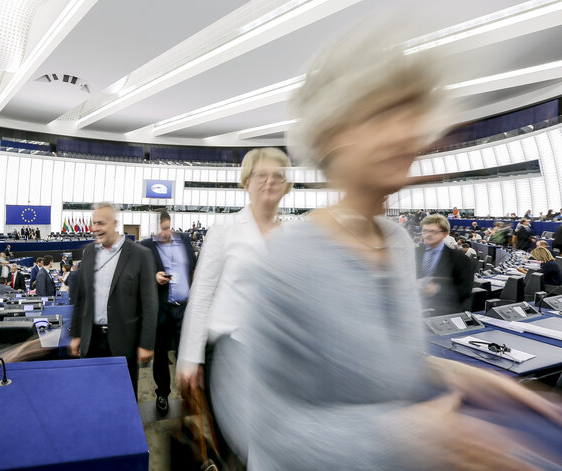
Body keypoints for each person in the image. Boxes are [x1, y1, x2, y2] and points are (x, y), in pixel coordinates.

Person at [210, 27, 562, 471]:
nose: (409, 132)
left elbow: (388, 367)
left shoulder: (395, 241)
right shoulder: (287, 259)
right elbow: (256, 418)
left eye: (411, 113)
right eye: (383, 114)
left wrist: (464, 376)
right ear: (332, 135)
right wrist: (406, 438)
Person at [177, 148, 292, 398]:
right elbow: (201, 296)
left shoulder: (292, 238)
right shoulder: (224, 230)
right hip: (227, 353)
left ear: (286, 185)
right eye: (261, 175)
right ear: (246, 182)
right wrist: (190, 357)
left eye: (277, 176)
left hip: (274, 356)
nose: (269, 182)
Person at [69, 202, 158, 394]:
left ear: (114, 223)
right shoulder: (90, 252)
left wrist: (146, 344)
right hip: (91, 340)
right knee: (92, 393)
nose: (95, 228)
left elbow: (150, 304)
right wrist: (76, 334)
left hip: (123, 341)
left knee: (123, 395)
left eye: (100, 223)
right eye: (93, 223)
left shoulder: (141, 255)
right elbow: (82, 297)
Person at [140, 210, 197, 415]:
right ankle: (162, 393)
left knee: (187, 353)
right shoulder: (145, 247)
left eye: (167, 228)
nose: (165, 233)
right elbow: (138, 276)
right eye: (160, 230)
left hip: (185, 309)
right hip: (162, 310)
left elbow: (194, 269)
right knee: (161, 356)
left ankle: (188, 394)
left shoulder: (184, 240)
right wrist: (153, 277)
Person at [417, 214, 474, 314]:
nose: (427, 234)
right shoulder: (412, 253)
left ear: (445, 234)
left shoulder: (460, 259)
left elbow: (465, 289)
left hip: (443, 313)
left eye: (433, 231)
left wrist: (438, 289)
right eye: (425, 231)